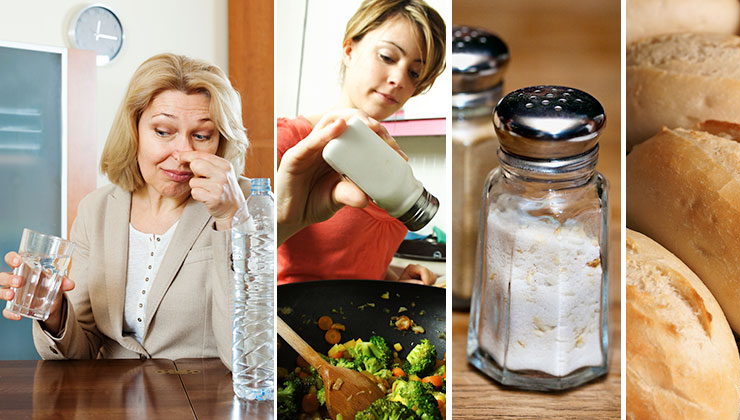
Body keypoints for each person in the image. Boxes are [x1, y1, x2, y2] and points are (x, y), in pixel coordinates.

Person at [0, 54, 250, 367]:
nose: (183, 154)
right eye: (163, 132)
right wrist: (54, 313)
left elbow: (247, 359)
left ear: (221, 140)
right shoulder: (98, 209)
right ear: (134, 129)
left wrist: (230, 220)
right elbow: (82, 349)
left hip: (204, 404)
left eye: (201, 136)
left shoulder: (247, 205)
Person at [276, 0, 446, 285]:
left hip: (363, 323)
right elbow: (237, 260)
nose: (398, 79)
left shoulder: (390, 161)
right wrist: (283, 221)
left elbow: (350, 267)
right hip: (292, 322)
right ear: (349, 51)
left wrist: (394, 280)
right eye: (387, 57)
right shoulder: (288, 144)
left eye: (414, 73)